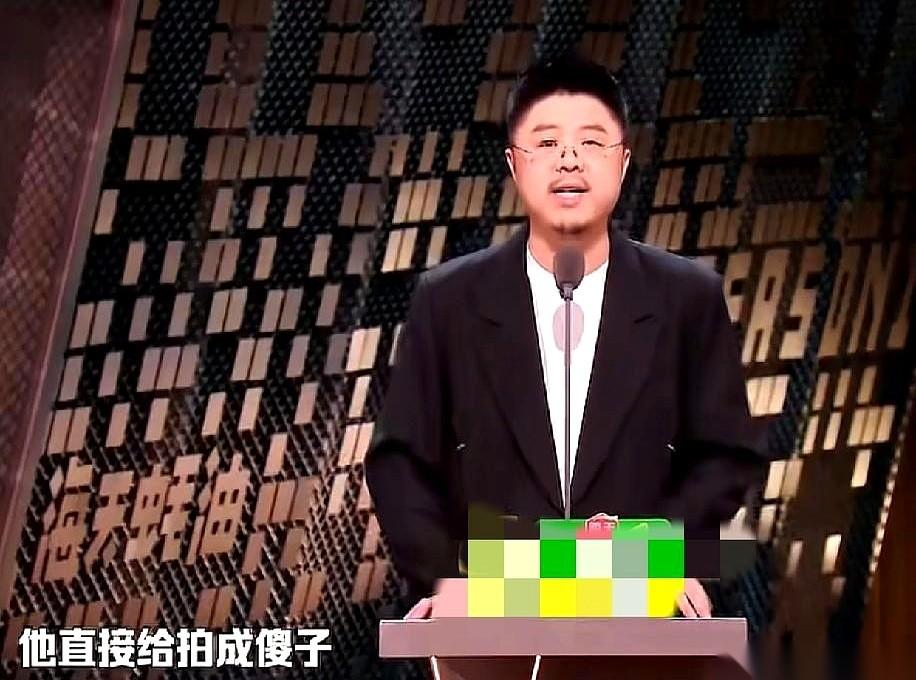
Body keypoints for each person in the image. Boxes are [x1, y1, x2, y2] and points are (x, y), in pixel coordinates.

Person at [366, 53, 767, 620]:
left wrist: (657, 560)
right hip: (493, 601)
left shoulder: (688, 297)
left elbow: (726, 455)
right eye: (548, 142)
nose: (569, 160)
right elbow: (399, 460)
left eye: (591, 142)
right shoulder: (449, 299)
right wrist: (445, 577)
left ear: (623, 162)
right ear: (514, 163)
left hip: (638, 602)